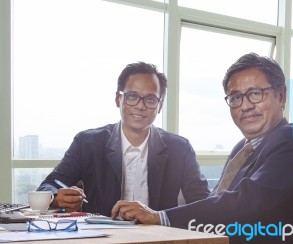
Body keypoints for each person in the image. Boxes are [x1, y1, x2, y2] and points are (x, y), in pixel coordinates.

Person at [110, 53, 293, 244]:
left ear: (281, 96)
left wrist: (161, 217)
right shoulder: (244, 148)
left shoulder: (292, 142)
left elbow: (245, 202)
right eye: (235, 97)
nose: (245, 106)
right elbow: (217, 201)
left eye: (255, 94)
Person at [37, 62, 210, 216]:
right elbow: (49, 185)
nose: (141, 106)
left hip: (159, 243)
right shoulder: (87, 143)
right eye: (132, 97)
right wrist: (55, 197)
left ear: (160, 105)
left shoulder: (179, 148)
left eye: (150, 99)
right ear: (118, 99)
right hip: (100, 242)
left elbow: (202, 201)